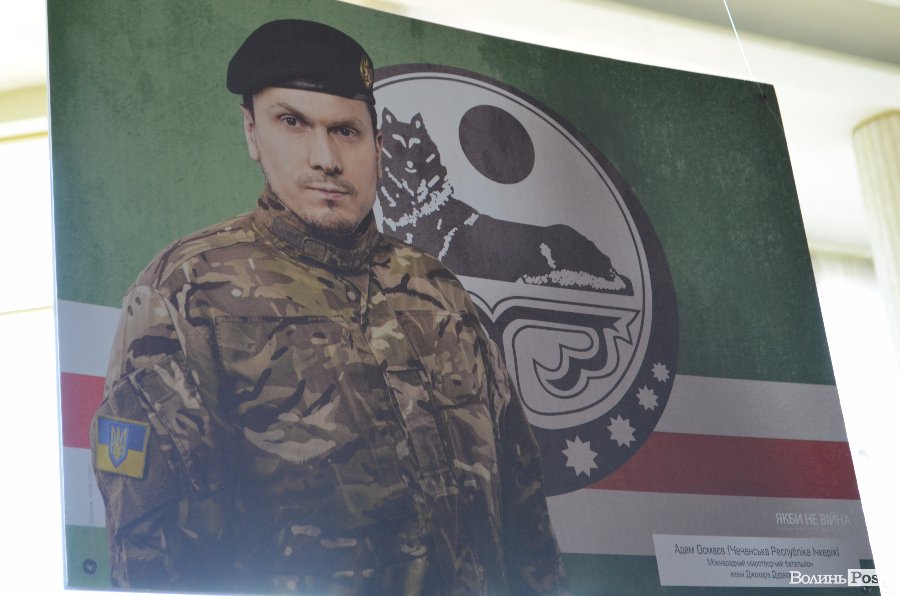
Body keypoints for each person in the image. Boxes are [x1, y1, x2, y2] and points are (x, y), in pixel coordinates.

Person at [91, 19, 566, 595]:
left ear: (378, 147)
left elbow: (523, 514)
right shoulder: (186, 292)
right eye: (292, 123)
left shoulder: (439, 291)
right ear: (251, 133)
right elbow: (153, 558)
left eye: (346, 131)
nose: (326, 159)